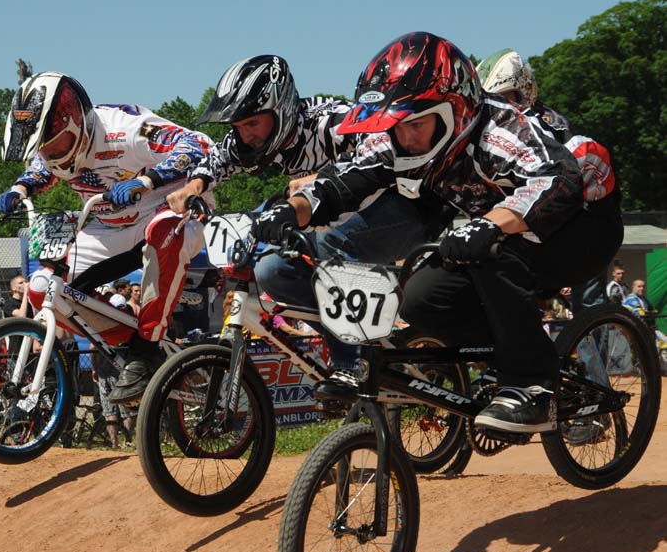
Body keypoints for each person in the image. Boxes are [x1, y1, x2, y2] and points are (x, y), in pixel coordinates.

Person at [250, 32, 622, 434]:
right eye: (397, 126)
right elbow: (344, 181)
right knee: (420, 299)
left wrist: (491, 224)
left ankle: (531, 385)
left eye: (416, 124)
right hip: (510, 234)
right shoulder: (400, 137)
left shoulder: (499, 130)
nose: (405, 138)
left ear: (454, 110)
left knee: (492, 252)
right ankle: (510, 358)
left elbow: (556, 181)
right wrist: (293, 210)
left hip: (583, 226)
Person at [170, 54, 449, 390]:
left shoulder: (333, 120)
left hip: (407, 206)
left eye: (252, 124)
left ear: (282, 110)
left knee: (333, 242)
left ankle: (352, 362)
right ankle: (358, 341)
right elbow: (218, 157)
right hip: (337, 215)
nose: (245, 135)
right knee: (272, 269)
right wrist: (194, 185)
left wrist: (321, 178)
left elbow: (383, 151)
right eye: (238, 127)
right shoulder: (250, 139)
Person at [0, 72, 212, 405]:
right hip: (112, 225)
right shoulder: (53, 146)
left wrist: (149, 180)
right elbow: (42, 169)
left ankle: (146, 348)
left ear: (76, 122)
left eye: (54, 145)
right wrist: (19, 188)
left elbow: (198, 145)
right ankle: (134, 345)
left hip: (171, 209)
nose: (50, 154)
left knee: (163, 230)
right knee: (42, 288)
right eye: (43, 148)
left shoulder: (124, 128)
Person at [477, 48, 618, 314]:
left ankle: (598, 340)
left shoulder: (542, 125)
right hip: (540, 226)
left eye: (504, 98)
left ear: (523, 90)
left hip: (582, 222)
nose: (498, 106)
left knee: (588, 302)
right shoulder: (494, 132)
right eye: (490, 101)